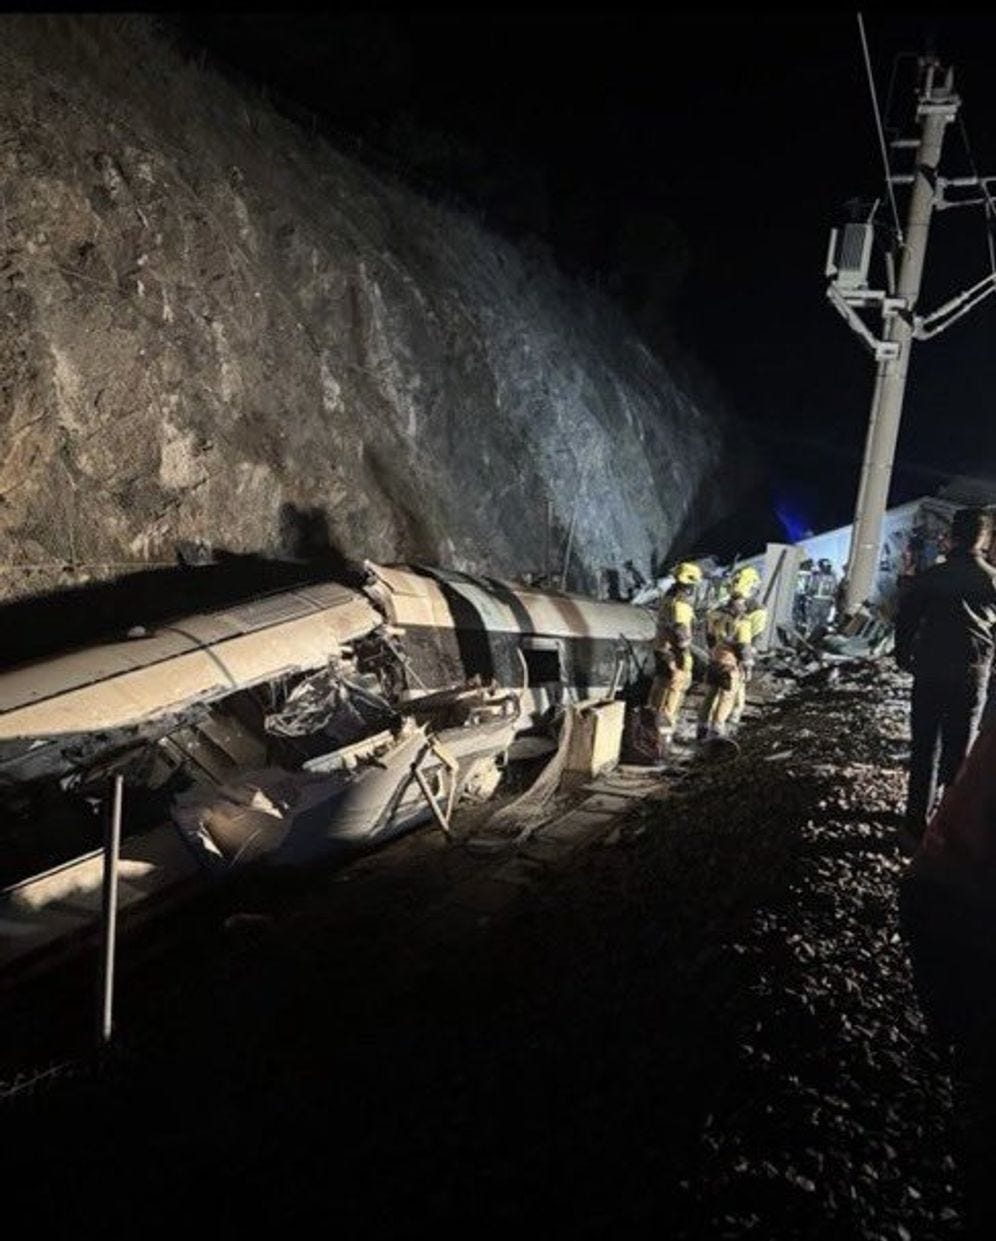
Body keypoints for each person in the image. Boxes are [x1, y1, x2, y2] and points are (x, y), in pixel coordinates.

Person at [894, 506, 996, 850]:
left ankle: (914, 826)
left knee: (924, 748)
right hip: (972, 673)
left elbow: (905, 621)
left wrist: (903, 656)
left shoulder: (931, 577)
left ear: (953, 536)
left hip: (930, 670)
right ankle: (946, 830)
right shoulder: (993, 579)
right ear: (984, 539)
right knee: (959, 752)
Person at [699, 565, 767, 739]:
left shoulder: (716, 612)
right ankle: (719, 730)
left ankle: (702, 728)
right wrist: (748, 665)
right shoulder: (746, 619)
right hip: (732, 663)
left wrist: (715, 650)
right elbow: (745, 646)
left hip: (715, 659)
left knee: (711, 694)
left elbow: (709, 637)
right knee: (728, 697)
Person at [648, 561, 701, 745]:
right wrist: (684, 656)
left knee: (659, 688)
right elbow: (681, 631)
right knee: (673, 691)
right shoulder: (681, 603)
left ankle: (649, 728)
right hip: (674, 652)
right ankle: (663, 737)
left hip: (661, 649)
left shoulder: (668, 596)